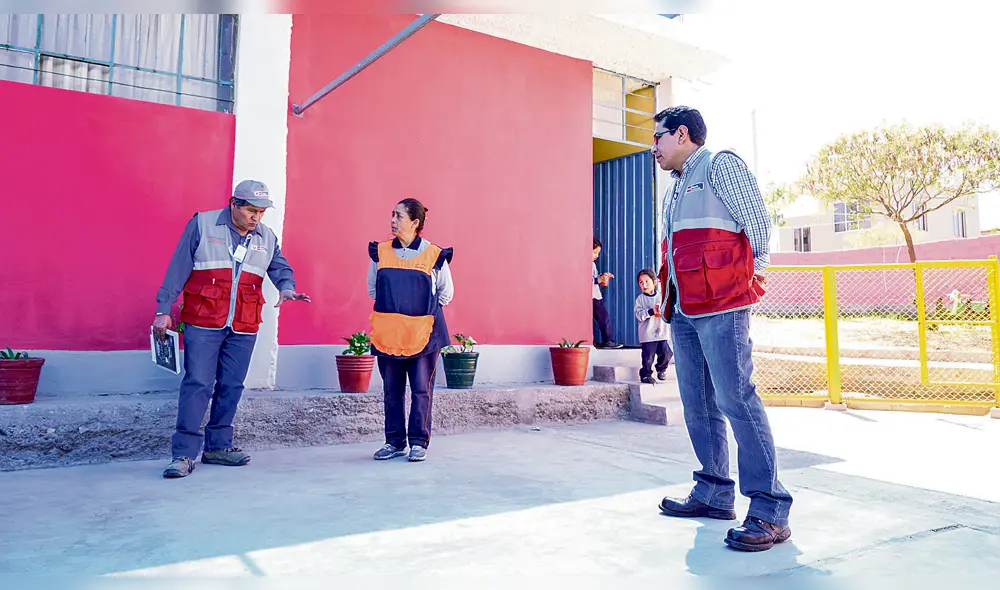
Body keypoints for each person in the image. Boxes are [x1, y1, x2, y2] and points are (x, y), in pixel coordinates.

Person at [651, 106, 793, 552]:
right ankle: (713, 491)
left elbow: (756, 220)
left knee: (737, 399)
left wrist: (756, 275)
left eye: (658, 137)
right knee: (698, 403)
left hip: (724, 301)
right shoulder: (673, 190)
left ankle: (770, 510)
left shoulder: (720, 165)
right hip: (684, 308)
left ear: (681, 134)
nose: (653, 147)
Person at [153, 180, 310, 479]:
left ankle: (218, 446)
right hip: (204, 319)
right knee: (198, 383)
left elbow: (279, 267)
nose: (256, 217)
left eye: (261, 212)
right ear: (234, 204)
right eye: (251, 210)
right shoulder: (203, 223)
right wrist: (164, 309)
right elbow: (178, 267)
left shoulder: (267, 236)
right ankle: (184, 454)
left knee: (232, 385)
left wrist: (287, 288)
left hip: (244, 322)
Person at [367, 198, 454, 462]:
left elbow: (445, 294)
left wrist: (419, 313)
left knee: (420, 388)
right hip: (389, 334)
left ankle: (418, 442)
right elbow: (372, 288)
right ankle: (394, 442)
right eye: (392, 215)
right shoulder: (380, 252)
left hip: (423, 334)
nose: (393, 220)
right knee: (392, 389)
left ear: (415, 223)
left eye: (399, 216)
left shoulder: (433, 255)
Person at [634, 268, 673, 385]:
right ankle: (645, 375)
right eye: (641, 282)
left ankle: (661, 369)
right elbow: (638, 314)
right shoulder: (640, 299)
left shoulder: (661, 297)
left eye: (647, 281)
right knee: (648, 357)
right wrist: (651, 311)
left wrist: (662, 311)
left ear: (654, 282)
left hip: (661, 332)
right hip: (648, 335)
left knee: (667, 353)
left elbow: (668, 310)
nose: (644, 285)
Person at [592, 238, 623, 349]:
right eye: (595, 252)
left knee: (603, 319)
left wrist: (603, 276)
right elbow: (584, 280)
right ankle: (607, 341)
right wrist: (598, 280)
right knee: (604, 318)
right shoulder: (584, 265)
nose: (597, 256)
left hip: (596, 296)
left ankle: (606, 340)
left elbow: (594, 278)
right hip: (592, 297)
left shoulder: (593, 265)